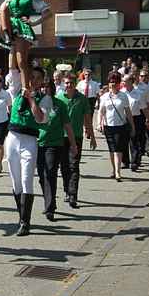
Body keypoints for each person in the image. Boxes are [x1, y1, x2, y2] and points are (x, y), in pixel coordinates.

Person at [4, 67, 53, 236]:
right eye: (31, 77)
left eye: (38, 78)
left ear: (42, 81)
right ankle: (21, 216)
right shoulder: (17, 90)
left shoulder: (45, 99)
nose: (34, 80)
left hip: (29, 141)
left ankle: (26, 223)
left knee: (26, 180)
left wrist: (31, 99)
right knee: (15, 181)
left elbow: (40, 118)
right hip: (12, 138)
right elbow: (13, 68)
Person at [0, 0, 51, 95]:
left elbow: (48, 13)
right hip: (10, 27)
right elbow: (0, 13)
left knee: (21, 61)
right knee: (11, 64)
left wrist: (34, 22)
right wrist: (1, 25)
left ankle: (26, 87)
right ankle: (13, 90)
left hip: (22, 28)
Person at [37, 77, 77, 221]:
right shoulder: (36, 103)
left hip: (54, 144)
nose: (45, 90)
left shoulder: (59, 105)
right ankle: (49, 200)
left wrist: (73, 144)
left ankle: (50, 207)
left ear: (52, 89)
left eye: (47, 87)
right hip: (38, 143)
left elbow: (67, 125)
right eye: (42, 87)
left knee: (50, 174)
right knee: (42, 177)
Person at [58, 73, 96, 208]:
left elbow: (87, 119)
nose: (68, 85)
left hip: (77, 137)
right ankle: (67, 191)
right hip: (61, 137)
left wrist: (92, 137)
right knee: (64, 166)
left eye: (71, 83)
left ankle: (73, 195)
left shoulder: (82, 99)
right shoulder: (59, 98)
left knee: (74, 166)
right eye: (66, 83)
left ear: (75, 84)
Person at [99, 72, 134, 181]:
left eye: (115, 82)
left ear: (119, 84)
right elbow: (101, 111)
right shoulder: (104, 97)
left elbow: (128, 112)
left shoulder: (123, 96)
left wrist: (132, 126)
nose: (112, 84)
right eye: (110, 82)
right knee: (111, 149)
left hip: (120, 126)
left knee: (118, 149)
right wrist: (99, 123)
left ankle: (118, 172)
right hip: (108, 126)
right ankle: (114, 170)